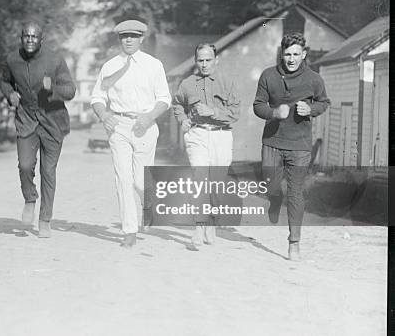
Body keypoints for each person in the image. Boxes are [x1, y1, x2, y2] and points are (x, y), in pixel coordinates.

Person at [91, 17, 171, 248]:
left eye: (133, 36)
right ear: (119, 39)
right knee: (123, 179)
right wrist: (104, 115)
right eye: (124, 36)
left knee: (140, 181)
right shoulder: (110, 66)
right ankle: (129, 230)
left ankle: (150, 204)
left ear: (141, 39)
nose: (128, 40)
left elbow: (164, 98)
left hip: (145, 125)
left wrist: (149, 117)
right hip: (119, 126)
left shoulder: (153, 65)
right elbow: (98, 96)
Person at [253, 32, 330, 260]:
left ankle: (294, 242)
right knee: (271, 185)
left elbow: (324, 102)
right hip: (272, 142)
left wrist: (311, 110)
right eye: (287, 54)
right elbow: (258, 105)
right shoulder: (269, 75)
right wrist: (275, 112)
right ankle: (274, 198)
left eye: (297, 54)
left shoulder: (314, 79)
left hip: (300, 145)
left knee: (296, 192)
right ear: (281, 53)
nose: (292, 59)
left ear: (304, 54)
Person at [0, 21, 76, 238]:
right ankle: (30, 199)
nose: (30, 40)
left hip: (53, 122)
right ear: (21, 38)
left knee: (48, 172)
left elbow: (71, 90)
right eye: (26, 36)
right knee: (25, 166)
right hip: (26, 120)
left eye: (34, 37)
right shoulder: (12, 59)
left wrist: (53, 87)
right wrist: (10, 94)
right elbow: (4, 82)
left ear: (41, 39)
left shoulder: (55, 59)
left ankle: (45, 220)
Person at [172, 44, 240, 245]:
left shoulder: (227, 82)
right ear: (195, 61)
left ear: (216, 60)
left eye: (208, 60)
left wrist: (213, 112)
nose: (204, 64)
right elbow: (177, 104)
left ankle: (210, 224)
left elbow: (235, 113)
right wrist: (182, 119)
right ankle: (198, 228)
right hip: (198, 135)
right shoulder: (187, 84)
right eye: (200, 60)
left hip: (221, 135)